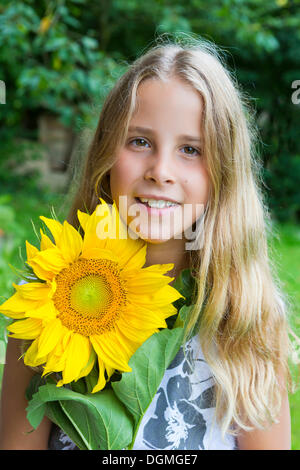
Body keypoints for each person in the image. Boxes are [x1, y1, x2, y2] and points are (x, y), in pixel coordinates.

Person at [0, 35, 297, 450]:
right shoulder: (46, 305)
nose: (161, 171)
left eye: (191, 149)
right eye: (140, 141)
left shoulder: (245, 321)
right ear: (106, 153)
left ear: (224, 175)